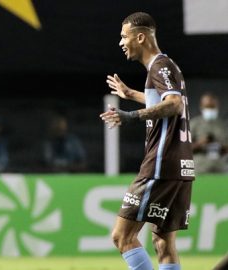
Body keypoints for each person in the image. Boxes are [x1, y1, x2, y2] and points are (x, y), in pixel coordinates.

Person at [100, 12, 194, 270]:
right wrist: (131, 94)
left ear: (140, 37)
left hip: (160, 164)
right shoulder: (167, 67)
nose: (121, 42)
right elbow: (170, 100)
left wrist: (131, 115)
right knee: (163, 242)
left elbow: (173, 105)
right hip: (181, 166)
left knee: (123, 236)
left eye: (124, 36)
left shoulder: (159, 67)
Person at [190, 93, 228, 173]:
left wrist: (220, 146)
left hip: (220, 166)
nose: (210, 110)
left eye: (212, 107)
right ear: (201, 107)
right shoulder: (194, 124)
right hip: (199, 166)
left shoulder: (223, 125)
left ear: (217, 107)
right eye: (207, 107)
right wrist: (200, 144)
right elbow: (184, 148)